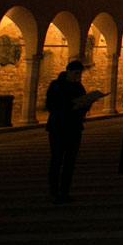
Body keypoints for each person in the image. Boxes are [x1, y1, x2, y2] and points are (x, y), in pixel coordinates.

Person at [46, 60, 93, 204]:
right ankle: (54, 192)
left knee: (70, 162)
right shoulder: (56, 85)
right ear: (68, 71)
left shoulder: (78, 86)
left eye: (79, 74)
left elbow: (82, 104)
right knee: (56, 159)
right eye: (76, 73)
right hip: (58, 127)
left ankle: (65, 192)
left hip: (74, 127)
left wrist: (86, 104)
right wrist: (71, 106)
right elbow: (51, 105)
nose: (78, 77)